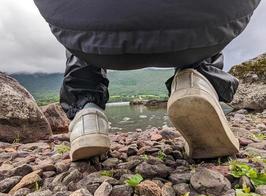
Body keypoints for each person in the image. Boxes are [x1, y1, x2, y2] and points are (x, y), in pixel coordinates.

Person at [34, 0, 261, 161]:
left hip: (89, 29)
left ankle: (87, 111)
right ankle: (195, 79)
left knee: (79, 20)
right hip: (208, 23)